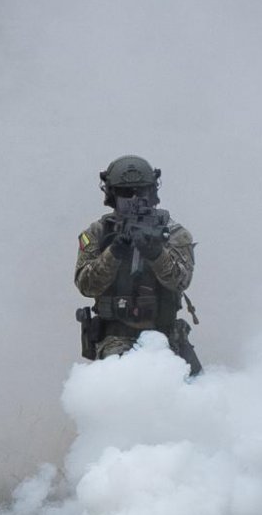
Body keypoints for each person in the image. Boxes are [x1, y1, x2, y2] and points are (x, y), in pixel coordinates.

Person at [74, 154, 201, 374]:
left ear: (152, 193)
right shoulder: (97, 233)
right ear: (112, 196)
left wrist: (155, 252)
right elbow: (86, 285)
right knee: (122, 394)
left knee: (198, 396)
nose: (134, 199)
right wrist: (113, 253)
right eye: (125, 193)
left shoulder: (174, 234)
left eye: (141, 191)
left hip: (166, 338)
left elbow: (181, 281)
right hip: (115, 339)